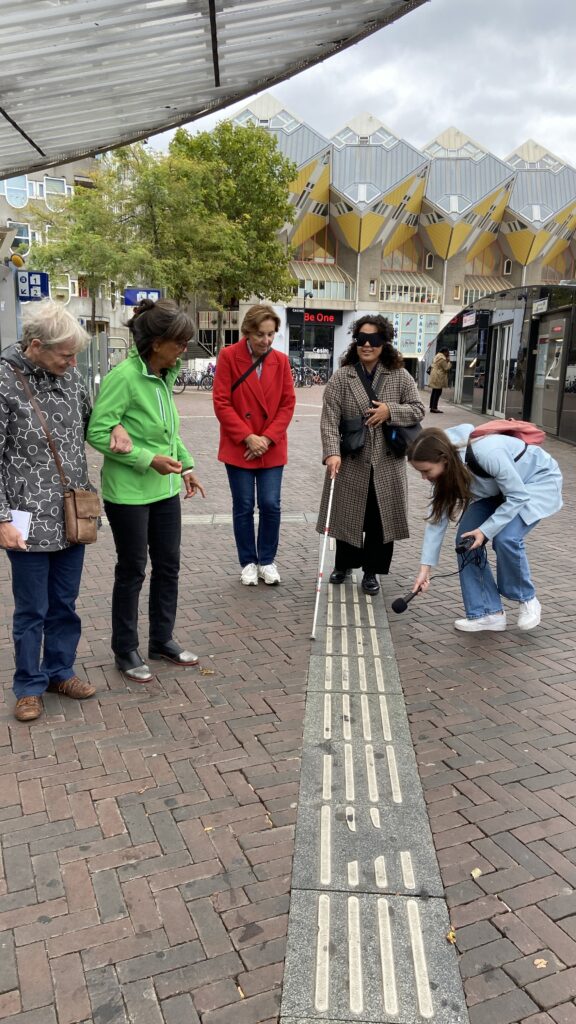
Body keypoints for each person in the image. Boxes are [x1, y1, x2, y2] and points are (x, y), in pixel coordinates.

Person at [87, 299, 206, 682]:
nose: (184, 349)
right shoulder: (124, 377)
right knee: (133, 570)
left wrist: (185, 465)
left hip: (165, 489)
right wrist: (145, 459)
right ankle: (125, 649)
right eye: (180, 342)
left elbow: (168, 434)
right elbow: (98, 432)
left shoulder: (164, 376)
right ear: (156, 343)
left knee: (168, 566)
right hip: (128, 494)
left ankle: (161, 640)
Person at [0, 300, 98, 721]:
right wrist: (1, 518)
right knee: (31, 608)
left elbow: (93, 422)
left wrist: (118, 431)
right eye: (65, 354)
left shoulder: (71, 376)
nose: (73, 361)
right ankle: (28, 685)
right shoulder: (4, 380)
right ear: (36, 345)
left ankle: (60, 670)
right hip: (25, 517)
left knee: (65, 602)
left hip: (72, 512)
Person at [408, 425, 563, 632]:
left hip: (533, 483)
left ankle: (527, 599)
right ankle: (487, 612)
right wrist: (424, 570)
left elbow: (517, 496)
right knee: (466, 540)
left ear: (444, 458)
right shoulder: (445, 467)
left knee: (506, 538)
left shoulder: (487, 452)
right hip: (497, 491)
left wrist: (485, 531)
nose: (424, 478)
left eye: (426, 471)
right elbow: (437, 519)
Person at [318, 315, 425, 596]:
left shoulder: (400, 375)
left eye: (374, 339)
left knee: (380, 520)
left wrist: (390, 410)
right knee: (348, 515)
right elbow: (329, 419)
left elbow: (418, 409)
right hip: (351, 459)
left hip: (387, 461)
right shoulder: (342, 376)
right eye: (361, 339)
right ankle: (344, 565)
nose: (367, 344)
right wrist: (331, 453)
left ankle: (372, 571)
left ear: (384, 342)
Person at [213, 303, 295, 586]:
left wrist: (267, 438)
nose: (266, 340)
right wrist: (248, 436)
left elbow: (287, 404)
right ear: (247, 331)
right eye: (261, 334)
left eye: (271, 334)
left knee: (271, 504)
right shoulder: (228, 356)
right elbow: (221, 401)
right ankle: (248, 561)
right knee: (244, 505)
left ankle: (268, 560)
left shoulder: (281, 361)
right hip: (240, 445)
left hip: (271, 446)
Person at [428, 347, 451, 413]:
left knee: (434, 391)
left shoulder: (437, 356)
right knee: (438, 392)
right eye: (447, 352)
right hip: (439, 376)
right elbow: (446, 368)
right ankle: (434, 408)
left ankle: (432, 407)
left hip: (435, 375)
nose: (448, 354)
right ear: (444, 352)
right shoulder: (442, 358)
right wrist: (449, 362)